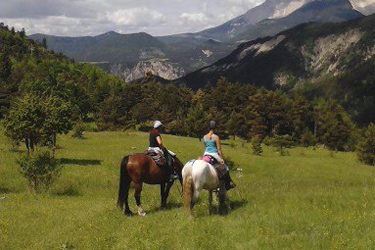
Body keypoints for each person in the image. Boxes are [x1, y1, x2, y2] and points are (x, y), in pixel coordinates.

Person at [203, 121, 235, 190]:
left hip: (205, 154)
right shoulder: (216, 137)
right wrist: (221, 158)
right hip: (214, 154)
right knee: (226, 168)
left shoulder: (204, 137)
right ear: (215, 128)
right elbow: (219, 149)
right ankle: (228, 185)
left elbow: (205, 147)